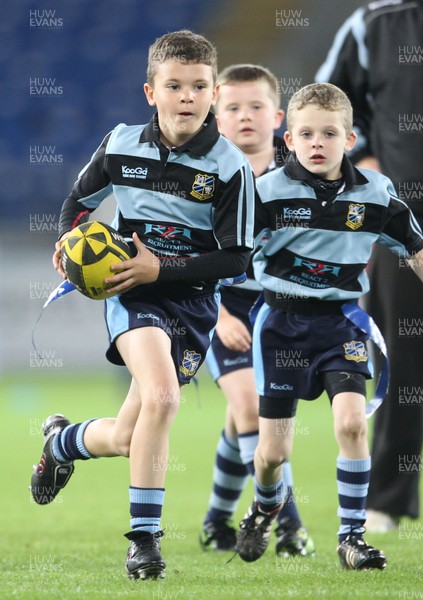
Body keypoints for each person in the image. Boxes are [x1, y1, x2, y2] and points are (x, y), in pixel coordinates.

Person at [30, 30, 255, 581]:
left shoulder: (230, 168)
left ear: (213, 92)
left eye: (198, 86)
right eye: (173, 85)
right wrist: (67, 240)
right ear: (150, 92)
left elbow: (236, 261)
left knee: (131, 435)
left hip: (195, 307)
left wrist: (166, 267)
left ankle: (62, 443)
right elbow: (76, 203)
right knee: (162, 397)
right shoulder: (121, 143)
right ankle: (145, 542)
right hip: (132, 295)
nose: (186, 96)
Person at [235, 82, 423, 570]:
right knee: (273, 452)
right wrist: (218, 311)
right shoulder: (265, 193)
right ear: (290, 141)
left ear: (350, 138)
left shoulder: (375, 194)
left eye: (329, 133)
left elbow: (415, 249)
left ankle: (351, 538)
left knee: (352, 423)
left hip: (342, 326)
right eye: (306, 134)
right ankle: (264, 505)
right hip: (280, 327)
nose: (318, 143)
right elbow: (231, 256)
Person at [315, 0, 423, 533]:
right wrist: (365, 160)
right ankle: (387, 499)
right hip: (405, 222)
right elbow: (324, 105)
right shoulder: (375, 23)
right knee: (404, 362)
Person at [199, 64, 314, 558]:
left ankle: (214, 520)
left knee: (241, 416)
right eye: (232, 108)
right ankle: (287, 525)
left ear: (277, 117)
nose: (245, 116)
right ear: (216, 117)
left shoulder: (304, 174)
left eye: (256, 107)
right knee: (250, 408)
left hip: (281, 307)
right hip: (222, 306)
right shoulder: (202, 176)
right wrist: (219, 314)